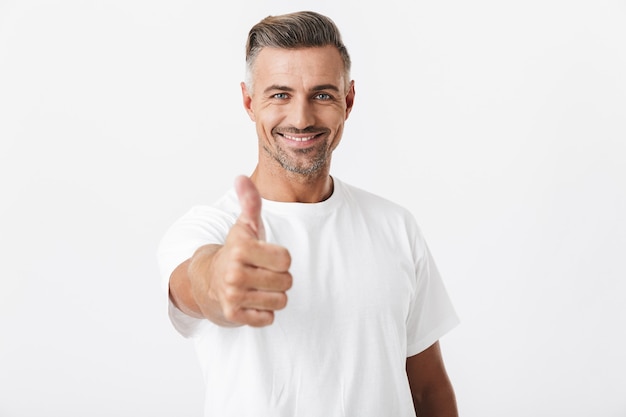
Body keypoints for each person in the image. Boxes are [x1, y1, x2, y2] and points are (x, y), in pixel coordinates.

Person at [158, 10, 459, 417]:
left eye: (321, 95)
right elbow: (197, 284)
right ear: (249, 101)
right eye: (279, 94)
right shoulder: (205, 228)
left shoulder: (395, 226)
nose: (301, 118)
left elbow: (427, 390)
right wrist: (219, 280)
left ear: (348, 101)